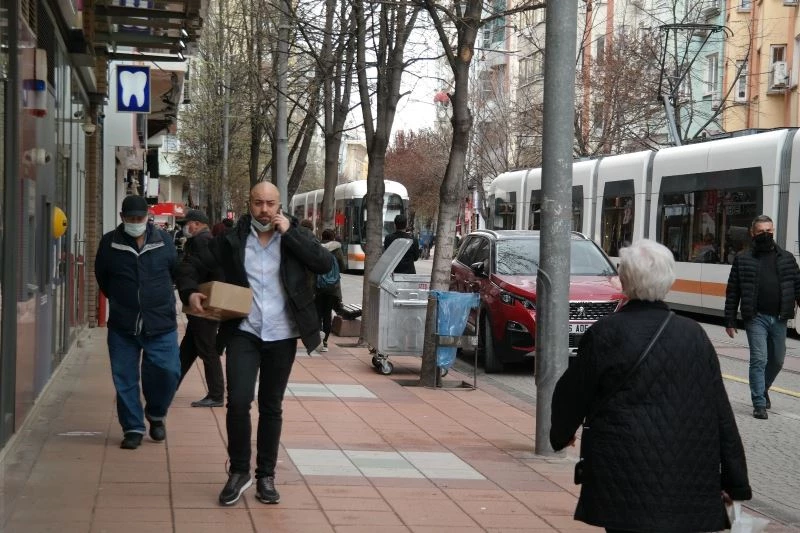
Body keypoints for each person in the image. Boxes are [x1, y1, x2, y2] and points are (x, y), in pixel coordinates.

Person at [551, 239, 751, 533]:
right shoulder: (694, 335)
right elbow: (720, 411)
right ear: (670, 280)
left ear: (624, 280)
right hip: (686, 474)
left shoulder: (605, 332)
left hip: (620, 472)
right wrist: (736, 481)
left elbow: (573, 392)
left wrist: (562, 433)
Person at [178, 181, 332, 507]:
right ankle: (238, 471)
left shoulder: (294, 236)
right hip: (243, 332)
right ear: (249, 203)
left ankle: (266, 475)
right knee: (238, 402)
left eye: (270, 203)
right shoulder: (233, 240)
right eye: (259, 202)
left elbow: (323, 263)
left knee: (271, 406)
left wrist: (290, 233)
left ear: (279, 205)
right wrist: (190, 290)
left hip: (282, 334)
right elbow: (192, 263)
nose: (264, 209)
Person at [94, 195, 181, 450]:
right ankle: (132, 427)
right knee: (125, 378)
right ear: (122, 218)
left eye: (139, 218)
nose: (135, 223)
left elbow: (175, 272)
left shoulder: (163, 241)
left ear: (148, 217)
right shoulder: (109, 243)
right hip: (123, 324)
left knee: (168, 371)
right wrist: (124, 300)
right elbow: (103, 278)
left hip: (161, 322)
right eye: (130, 218)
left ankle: (155, 413)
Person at [724, 214, 800, 419]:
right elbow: (733, 292)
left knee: (777, 360)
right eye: (761, 232)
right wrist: (730, 320)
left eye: (769, 231)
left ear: (773, 231)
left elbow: (797, 286)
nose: (766, 235)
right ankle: (758, 402)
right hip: (755, 317)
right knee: (759, 358)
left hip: (780, 317)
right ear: (752, 233)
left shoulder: (787, 258)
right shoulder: (743, 259)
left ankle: (763, 387)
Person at [176, 209, 225, 408]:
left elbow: (198, 269)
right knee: (188, 349)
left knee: (207, 349)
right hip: (205, 302)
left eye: (186, 224)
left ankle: (216, 394)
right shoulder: (208, 240)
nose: (185, 228)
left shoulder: (200, 241)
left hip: (203, 304)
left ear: (196, 223)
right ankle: (169, 385)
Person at [316, 229, 347, 352]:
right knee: (327, 314)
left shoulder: (316, 247)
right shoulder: (337, 249)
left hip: (318, 286)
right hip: (332, 288)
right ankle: (325, 342)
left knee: (317, 313)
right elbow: (343, 268)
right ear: (333, 237)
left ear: (322, 236)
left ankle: (317, 339)